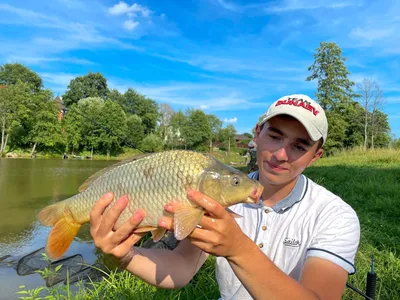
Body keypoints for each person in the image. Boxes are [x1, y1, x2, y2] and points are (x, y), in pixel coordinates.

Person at [90, 94, 360, 300]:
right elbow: (183, 267)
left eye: (299, 146)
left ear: (316, 156)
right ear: (257, 134)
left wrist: (238, 249)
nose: (280, 154)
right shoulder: (215, 198)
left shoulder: (335, 216)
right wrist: (126, 256)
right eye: (275, 136)